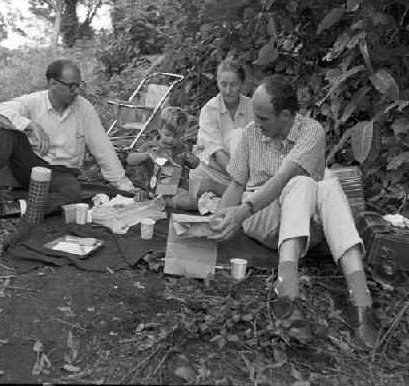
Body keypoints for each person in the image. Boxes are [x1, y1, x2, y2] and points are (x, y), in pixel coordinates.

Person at [208, 74, 379, 348]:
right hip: (265, 219)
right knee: (303, 182)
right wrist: (219, 219)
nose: (256, 124)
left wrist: (242, 211)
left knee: (328, 186)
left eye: (264, 118)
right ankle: (286, 292)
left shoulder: (311, 131)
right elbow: (237, 185)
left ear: (286, 115)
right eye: (256, 116)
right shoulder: (252, 134)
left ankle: (360, 300)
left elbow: (282, 178)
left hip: (304, 224)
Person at [0, 59, 135, 220]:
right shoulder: (33, 102)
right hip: (30, 168)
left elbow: (103, 149)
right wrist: (30, 125)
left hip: (62, 175)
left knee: (73, 193)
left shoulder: (84, 109)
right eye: (72, 86)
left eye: (79, 85)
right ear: (53, 84)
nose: (77, 91)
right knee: (11, 132)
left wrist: (124, 187)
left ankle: (1, 210)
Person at [189, 54, 253, 198]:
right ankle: (239, 191)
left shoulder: (252, 107)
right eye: (223, 84)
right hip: (213, 172)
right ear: (217, 82)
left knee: (239, 135)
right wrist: (241, 179)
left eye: (233, 85)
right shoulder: (210, 110)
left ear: (242, 84)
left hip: (246, 174)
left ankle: (239, 192)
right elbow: (217, 153)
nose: (228, 90)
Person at [127, 106, 200, 211]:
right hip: (156, 191)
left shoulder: (181, 149)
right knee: (189, 203)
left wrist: (188, 156)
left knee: (204, 188)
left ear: (182, 134)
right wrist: (147, 155)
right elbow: (130, 159)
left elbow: (196, 164)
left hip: (176, 188)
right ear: (159, 128)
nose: (171, 139)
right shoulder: (151, 146)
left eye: (176, 136)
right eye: (167, 134)